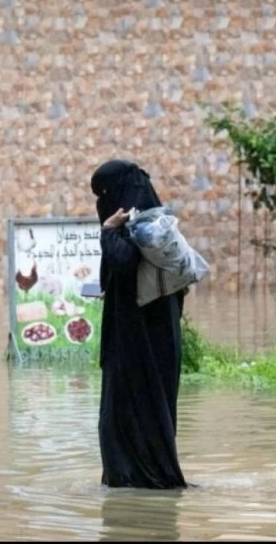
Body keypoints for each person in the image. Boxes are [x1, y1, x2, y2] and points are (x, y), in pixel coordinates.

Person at [91, 159, 188, 489]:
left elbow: (123, 260)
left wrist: (107, 230)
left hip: (138, 346)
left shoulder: (145, 227)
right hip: (153, 340)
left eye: (102, 193)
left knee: (124, 417)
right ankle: (140, 482)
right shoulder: (157, 226)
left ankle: (138, 482)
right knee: (144, 413)